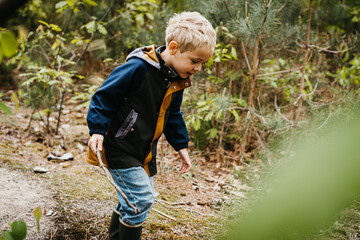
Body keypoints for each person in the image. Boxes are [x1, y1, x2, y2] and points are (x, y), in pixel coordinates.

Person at [86, 11, 216, 240]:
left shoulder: (175, 78)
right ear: (173, 47)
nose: (198, 68)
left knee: (133, 201)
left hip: (144, 151)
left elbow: (173, 114)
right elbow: (103, 96)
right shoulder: (138, 68)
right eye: (195, 61)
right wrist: (97, 130)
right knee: (142, 199)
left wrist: (181, 146)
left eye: (203, 63)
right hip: (120, 145)